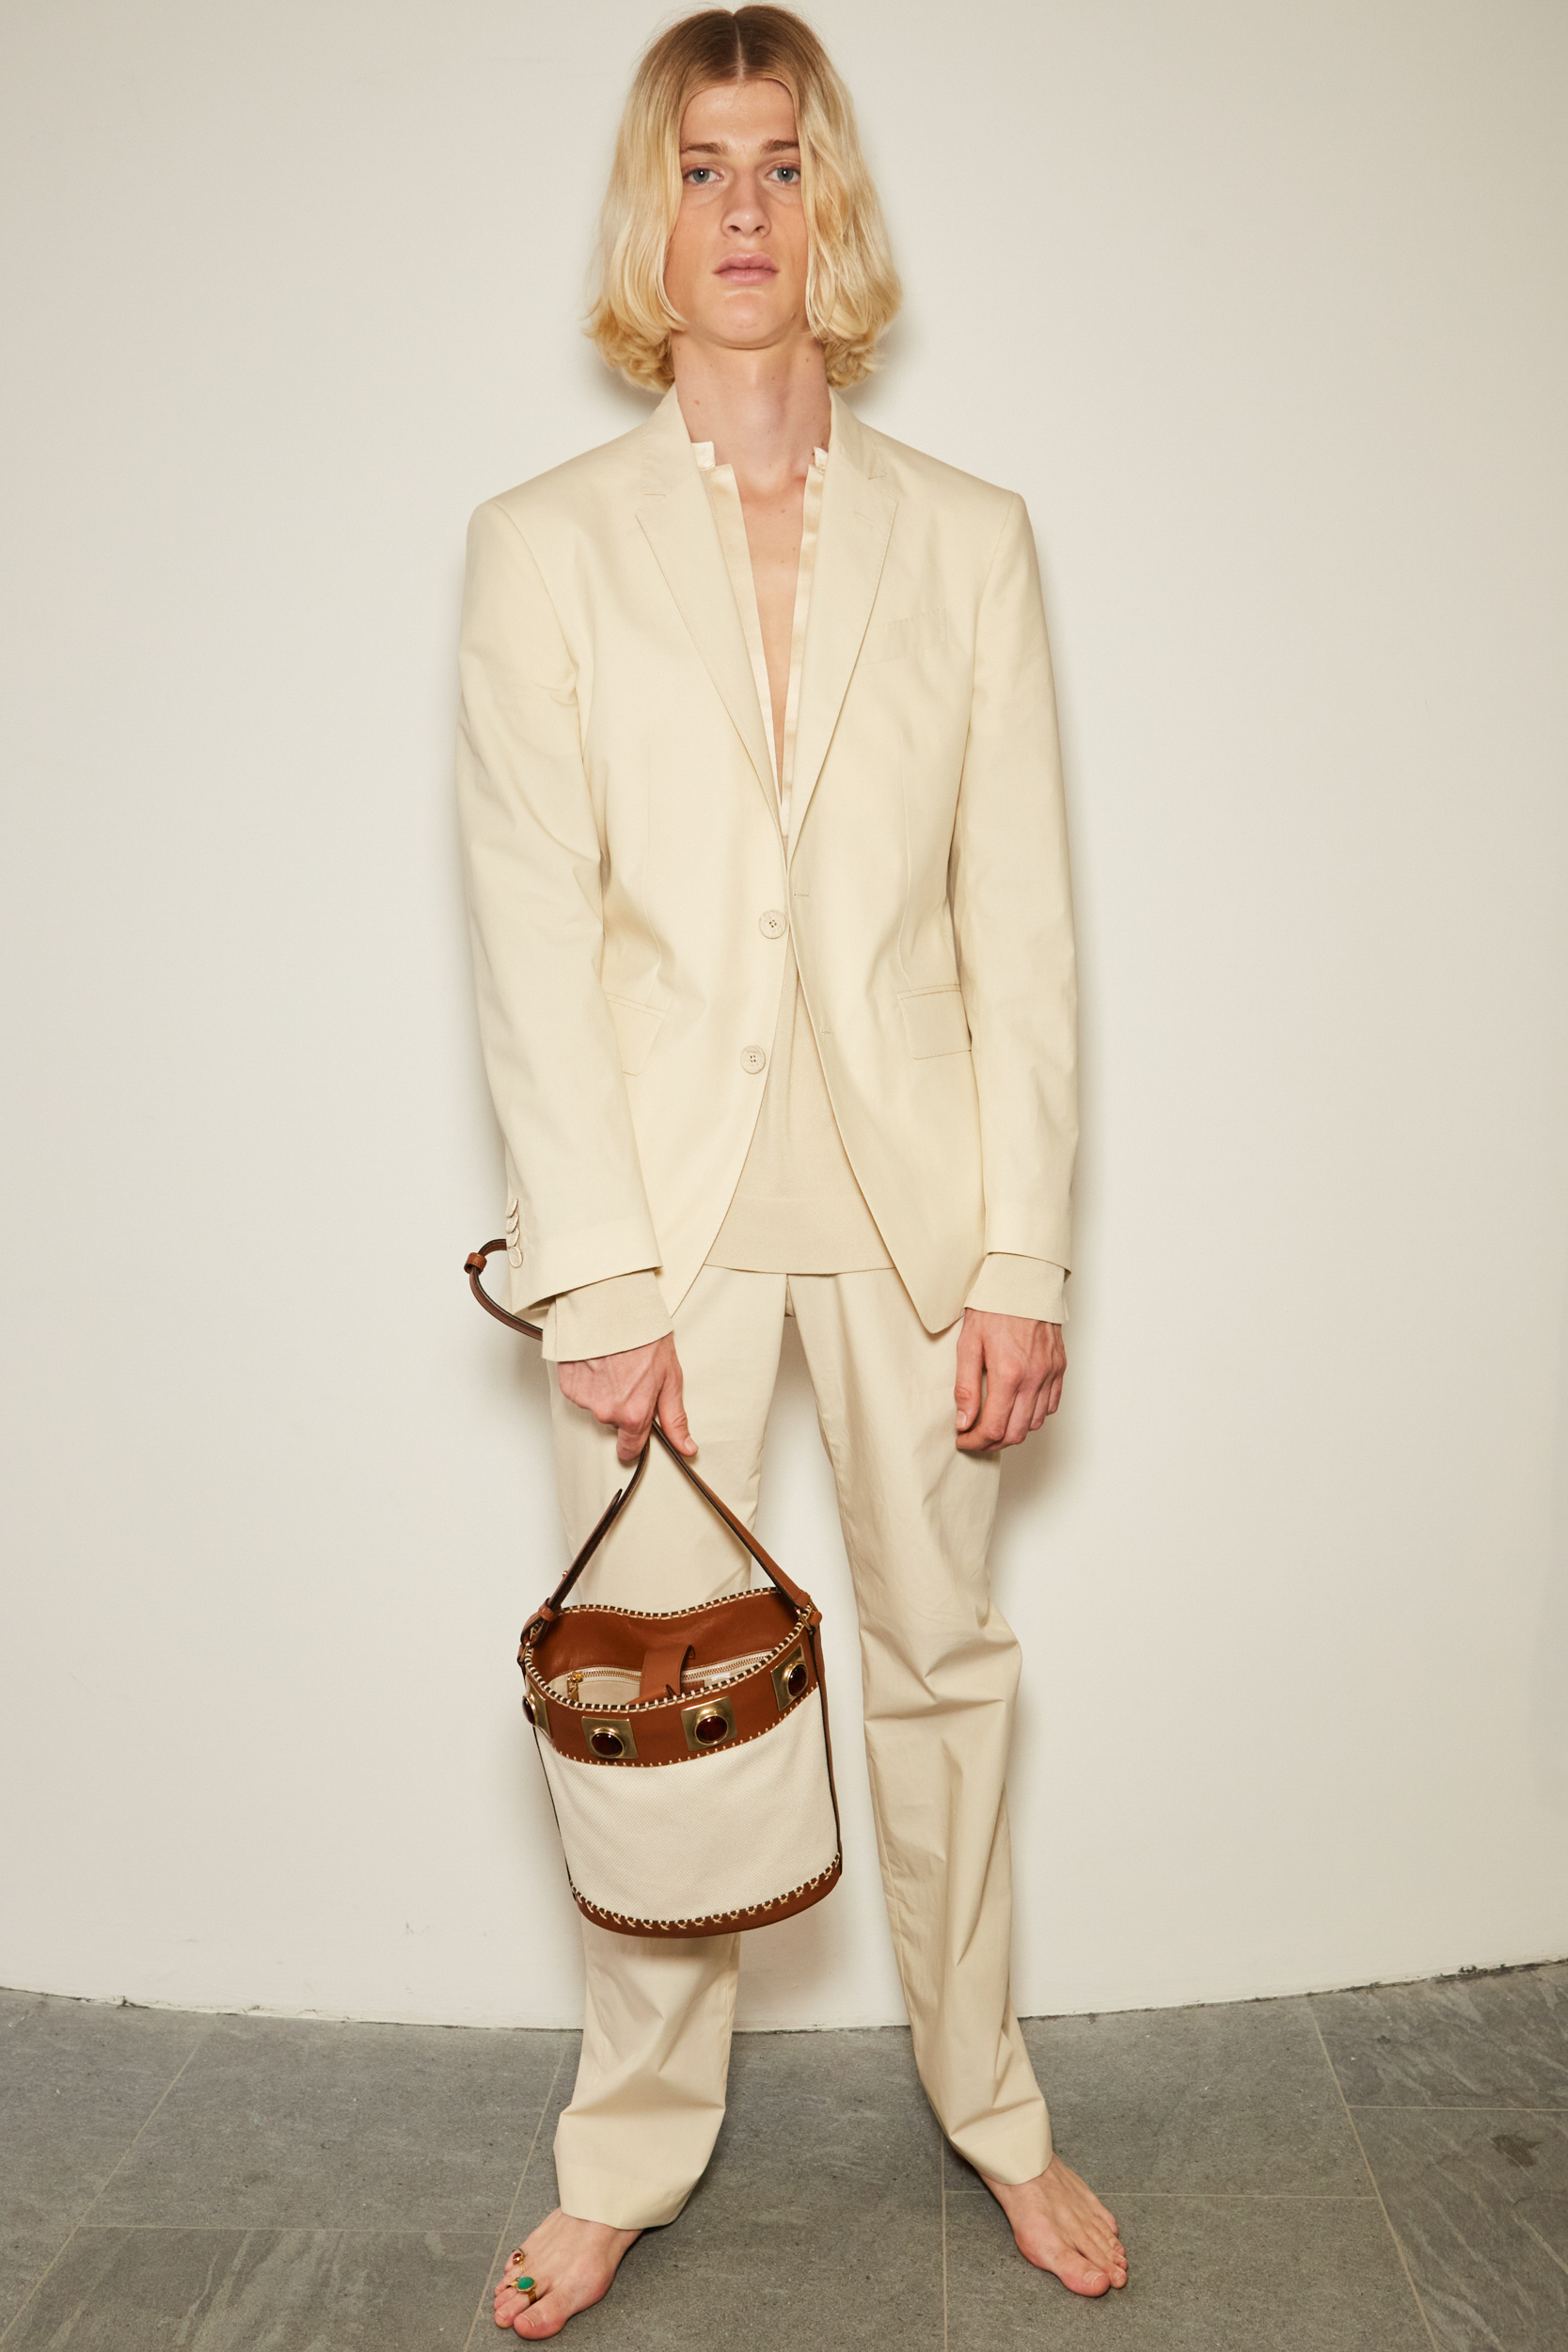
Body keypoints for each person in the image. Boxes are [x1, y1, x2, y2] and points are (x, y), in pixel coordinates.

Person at [455, 8, 1126, 2336]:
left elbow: (1022, 927)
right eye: (700, 165)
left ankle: (995, 2106)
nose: (742, 207)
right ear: (650, 216)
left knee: (948, 1668)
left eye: (780, 161)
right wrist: (592, 1274)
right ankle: (627, 2152)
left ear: (829, 204)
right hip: (661, 1221)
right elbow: (530, 934)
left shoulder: (973, 538)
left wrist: (1026, 1247)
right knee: (665, 1692)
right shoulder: (538, 550)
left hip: (923, 1215)